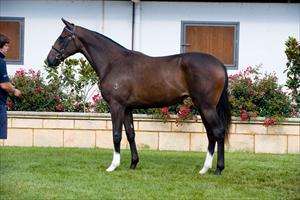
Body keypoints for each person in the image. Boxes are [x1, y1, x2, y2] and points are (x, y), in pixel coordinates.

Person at [0, 33, 22, 140]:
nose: (8, 48)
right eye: (6, 45)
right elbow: (4, 85)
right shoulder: (1, 62)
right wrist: (14, 90)